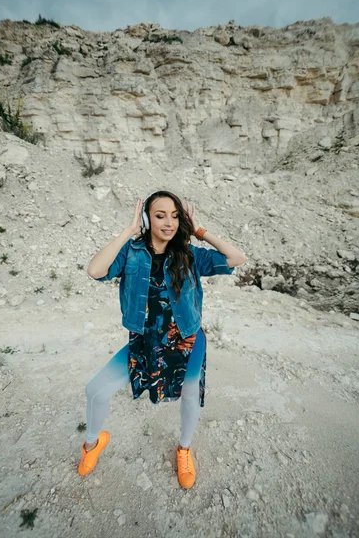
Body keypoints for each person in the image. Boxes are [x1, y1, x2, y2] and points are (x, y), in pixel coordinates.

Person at [78, 190, 247, 488]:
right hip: (147, 342)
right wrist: (129, 232)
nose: (168, 222)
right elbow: (95, 270)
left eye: (174, 215)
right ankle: (92, 444)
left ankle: (184, 449)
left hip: (188, 339)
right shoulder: (132, 253)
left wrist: (200, 232)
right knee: (96, 391)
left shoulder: (190, 254)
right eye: (159, 215)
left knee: (191, 397)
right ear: (147, 219)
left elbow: (237, 258)